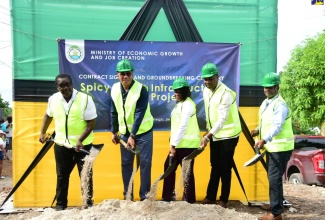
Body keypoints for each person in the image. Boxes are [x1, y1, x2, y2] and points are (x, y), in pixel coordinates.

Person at [39, 74, 97, 211]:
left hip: (83, 145)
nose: (65, 88)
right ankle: (61, 205)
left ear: (72, 84)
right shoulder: (53, 99)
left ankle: (87, 203)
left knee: (85, 174)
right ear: (57, 87)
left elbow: (91, 123)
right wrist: (42, 132)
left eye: (67, 84)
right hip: (61, 144)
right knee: (62, 174)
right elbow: (48, 115)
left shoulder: (85, 99)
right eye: (61, 86)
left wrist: (80, 140)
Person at [251, 72, 293, 220]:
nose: (267, 90)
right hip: (273, 147)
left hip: (280, 148)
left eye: (271, 87)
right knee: (274, 179)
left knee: (274, 179)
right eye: (265, 87)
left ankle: (276, 214)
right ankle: (276, 204)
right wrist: (257, 129)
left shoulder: (280, 105)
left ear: (277, 87)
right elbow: (266, 122)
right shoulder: (267, 102)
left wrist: (264, 139)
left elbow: (277, 126)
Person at [200, 62, 242, 208]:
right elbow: (210, 114)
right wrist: (209, 133)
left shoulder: (226, 94)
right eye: (205, 79)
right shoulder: (206, 91)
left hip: (229, 135)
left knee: (225, 167)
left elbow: (222, 119)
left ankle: (223, 199)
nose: (207, 82)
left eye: (210, 78)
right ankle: (210, 196)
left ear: (217, 76)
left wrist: (207, 136)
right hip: (216, 135)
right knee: (214, 165)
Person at [110, 60, 154, 201]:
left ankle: (145, 196)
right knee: (126, 164)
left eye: (128, 73)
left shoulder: (141, 89)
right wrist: (114, 131)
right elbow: (113, 111)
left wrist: (132, 135)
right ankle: (128, 195)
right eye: (122, 74)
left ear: (132, 74)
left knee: (145, 164)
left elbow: (140, 113)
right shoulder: (115, 89)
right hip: (124, 134)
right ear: (117, 75)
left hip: (143, 133)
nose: (125, 77)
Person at [161, 78, 201, 204]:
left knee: (186, 173)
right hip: (180, 144)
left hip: (187, 146)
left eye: (179, 92)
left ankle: (189, 200)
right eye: (175, 91)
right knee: (169, 167)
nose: (176, 94)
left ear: (185, 92)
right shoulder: (180, 104)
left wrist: (173, 145)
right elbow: (176, 125)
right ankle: (168, 197)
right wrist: (173, 143)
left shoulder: (188, 105)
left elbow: (183, 126)